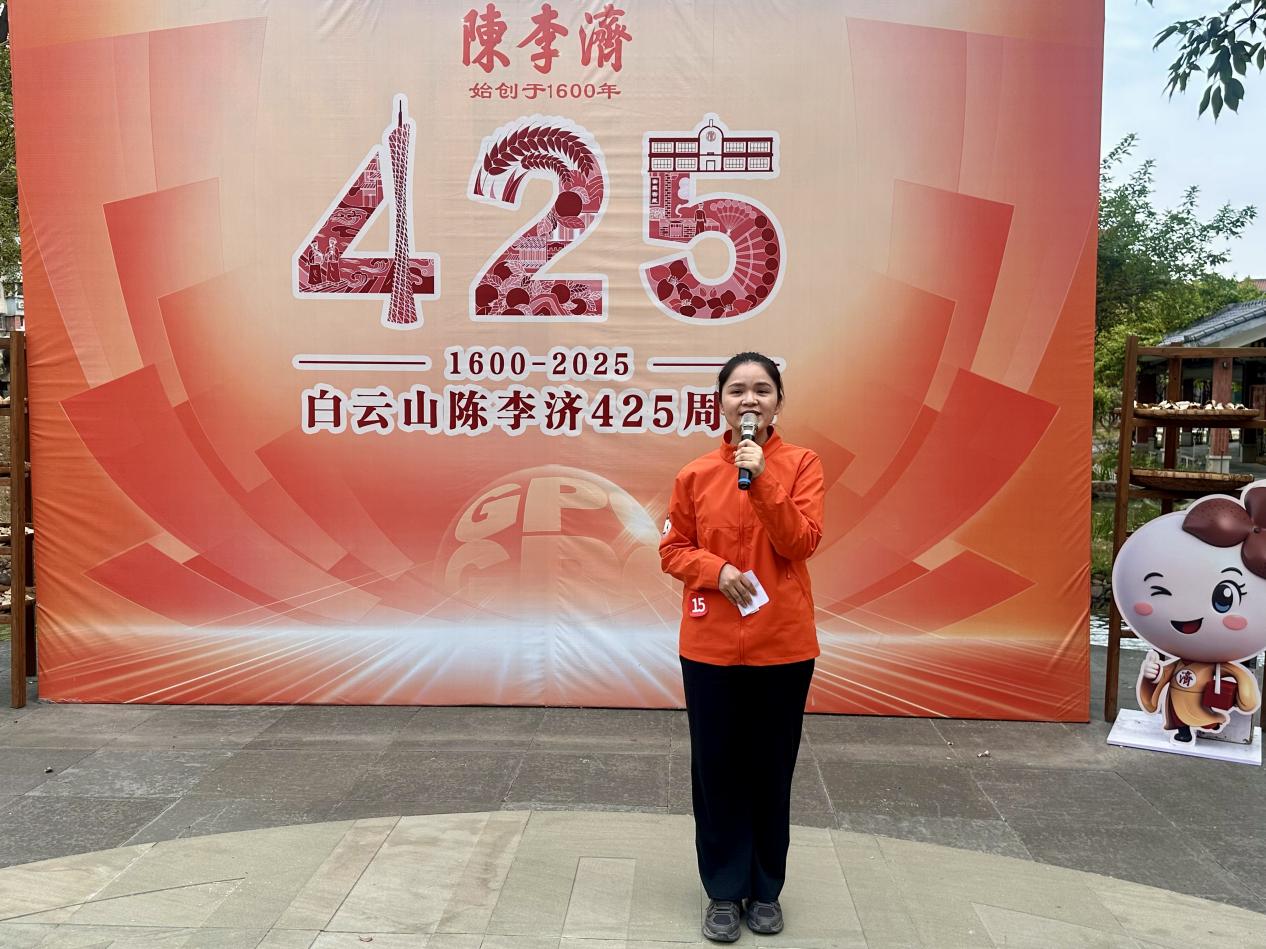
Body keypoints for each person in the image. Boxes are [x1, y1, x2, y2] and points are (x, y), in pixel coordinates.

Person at [659, 351, 825, 943]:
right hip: (710, 647)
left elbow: (801, 542)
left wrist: (764, 481)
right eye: (736, 390)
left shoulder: (802, 465)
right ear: (720, 403)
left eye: (761, 389)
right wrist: (716, 569)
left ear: (778, 402)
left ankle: (766, 891)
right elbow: (672, 549)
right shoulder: (695, 474)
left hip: (783, 644)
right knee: (717, 769)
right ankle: (724, 892)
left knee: (771, 769)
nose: (748, 400)